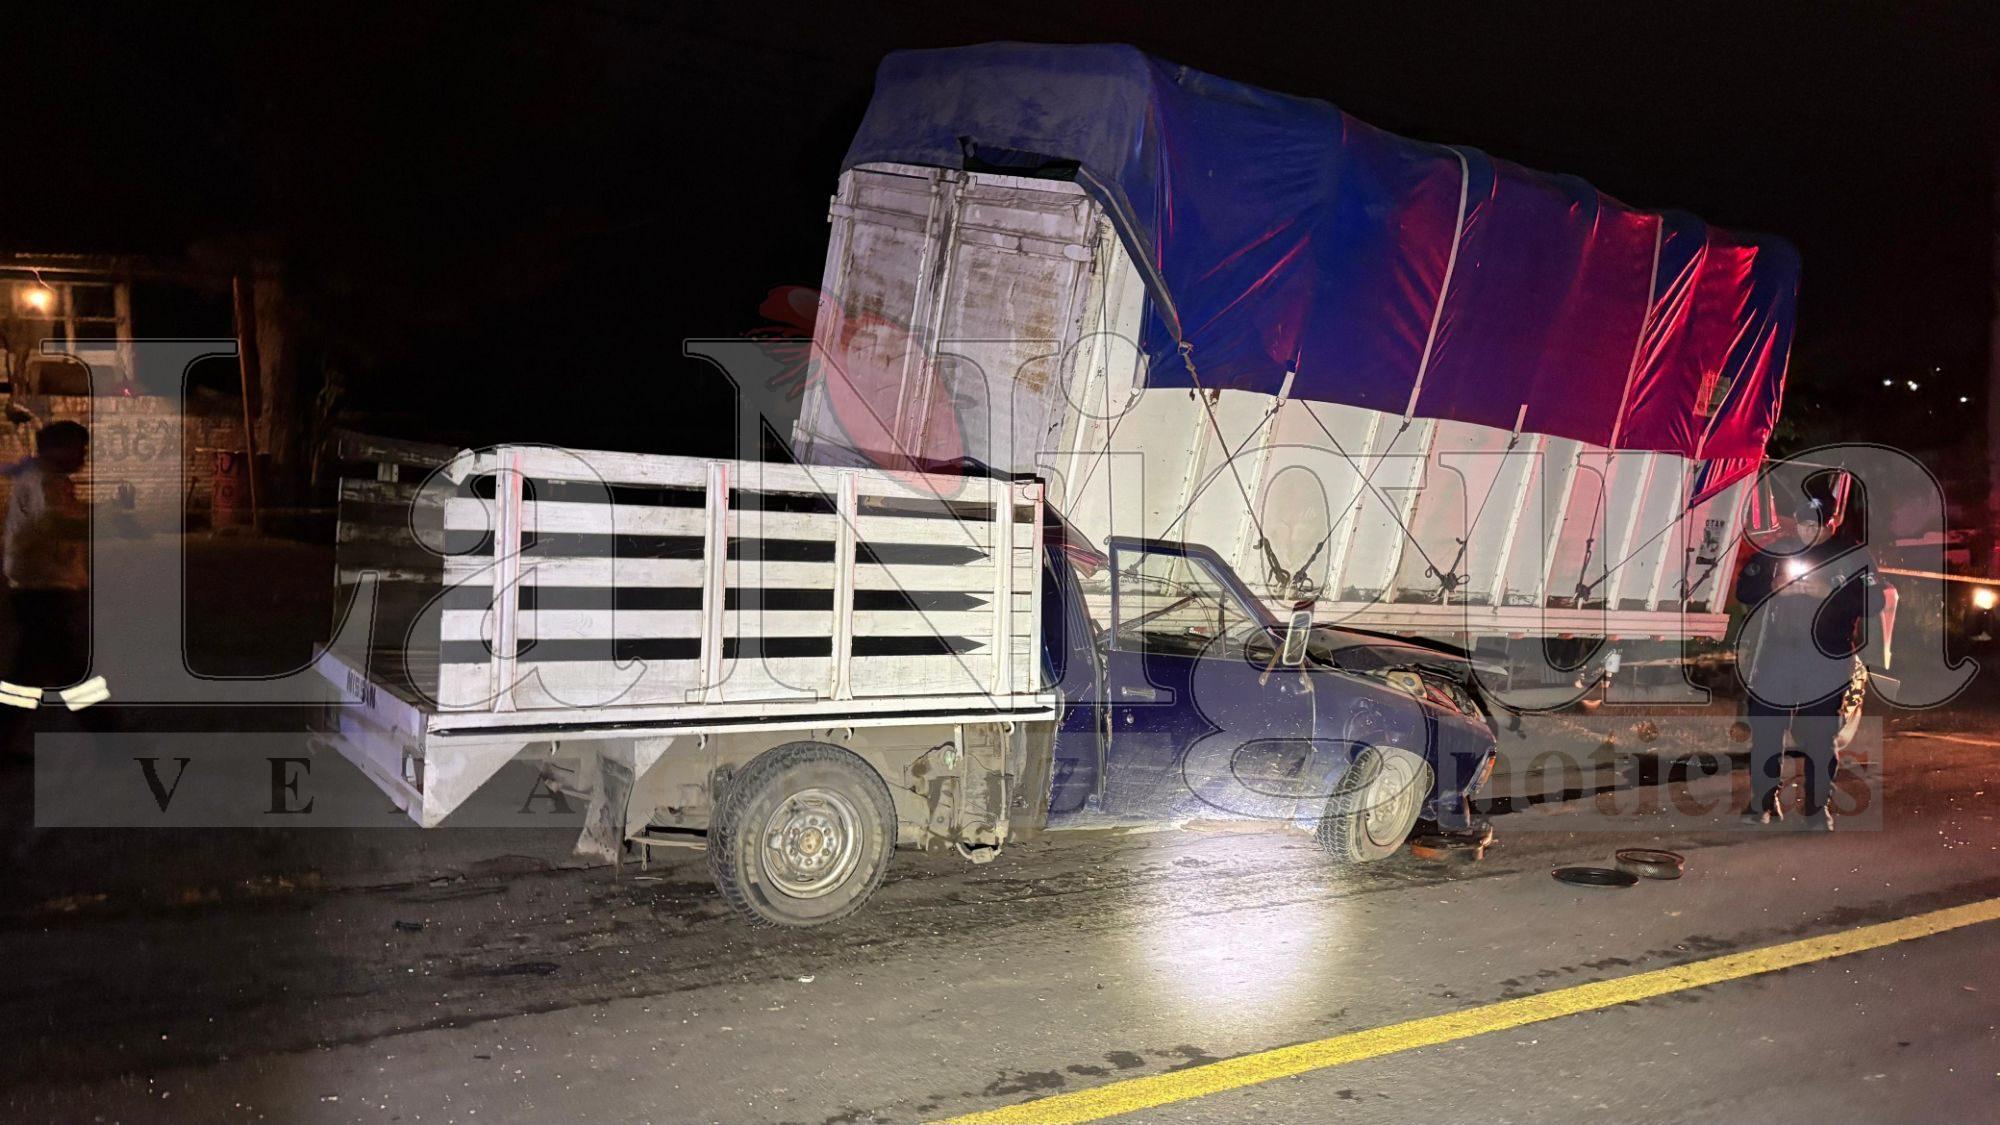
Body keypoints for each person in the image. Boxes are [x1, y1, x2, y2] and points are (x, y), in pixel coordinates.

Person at [1732, 497, 1884, 830]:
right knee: (1767, 730)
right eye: (1802, 524)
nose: (1807, 531)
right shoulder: (1779, 551)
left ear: (1831, 523)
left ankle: (1817, 808)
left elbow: (1876, 600)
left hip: (1826, 658)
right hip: (1777, 655)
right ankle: (1762, 802)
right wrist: (1772, 588)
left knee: (1818, 733)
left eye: (1815, 524)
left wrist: (1829, 591)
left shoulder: (1853, 554)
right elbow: (1745, 588)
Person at [4, 421, 92, 694]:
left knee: (34, 669)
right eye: (79, 449)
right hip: (46, 587)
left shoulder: (40, 477)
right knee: (68, 668)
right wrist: (104, 522)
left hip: (39, 585)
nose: (84, 457)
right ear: (57, 449)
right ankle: (108, 730)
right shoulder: (46, 480)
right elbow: (54, 523)